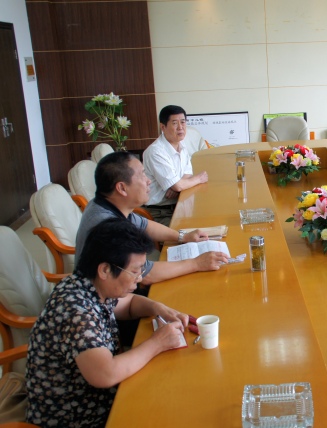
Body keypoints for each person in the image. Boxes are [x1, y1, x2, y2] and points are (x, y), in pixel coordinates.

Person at [26, 219, 189, 427]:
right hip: (79, 418)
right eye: (135, 271)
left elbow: (128, 305)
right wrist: (158, 343)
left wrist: (157, 308)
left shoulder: (88, 283)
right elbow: (106, 374)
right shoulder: (76, 312)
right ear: (105, 270)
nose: (139, 279)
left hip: (103, 399)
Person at [76, 151, 229, 287]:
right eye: (142, 175)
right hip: (108, 302)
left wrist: (182, 236)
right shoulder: (108, 226)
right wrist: (197, 263)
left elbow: (144, 225)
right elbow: (146, 274)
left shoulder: (107, 204)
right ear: (122, 188)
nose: (148, 181)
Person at [143, 105, 209, 225]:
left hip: (179, 204)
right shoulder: (156, 151)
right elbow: (179, 185)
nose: (180, 127)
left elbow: (186, 176)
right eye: (174, 123)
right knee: (192, 233)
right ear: (163, 127)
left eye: (183, 122)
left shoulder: (181, 146)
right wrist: (199, 178)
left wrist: (178, 187)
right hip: (160, 212)